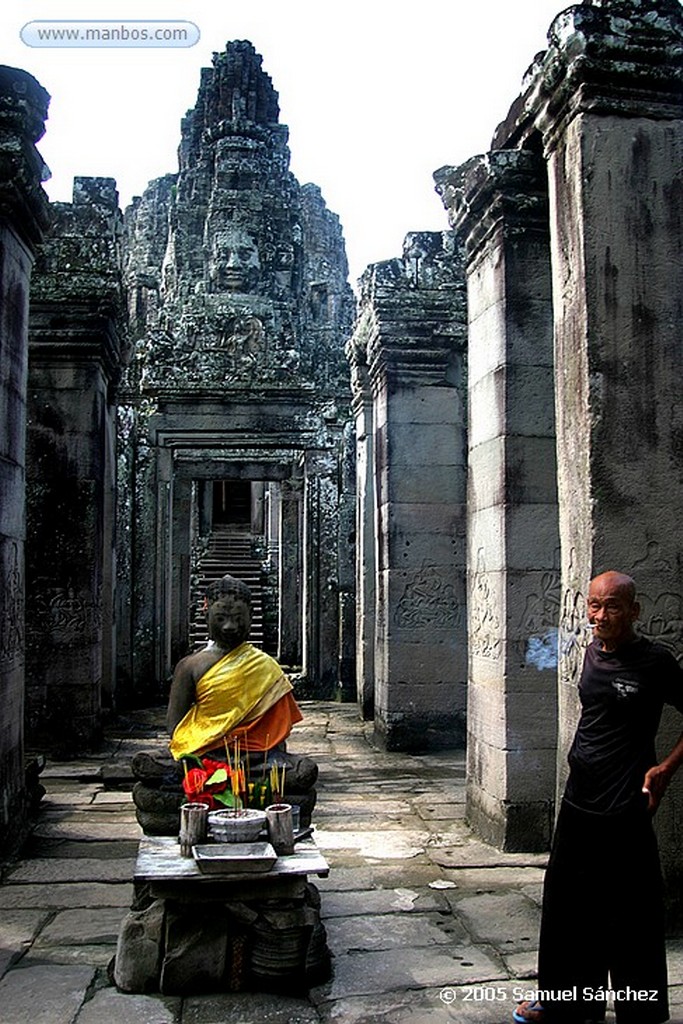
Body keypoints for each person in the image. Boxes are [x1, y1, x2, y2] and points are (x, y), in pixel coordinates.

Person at [514, 570, 683, 1024]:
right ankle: (569, 1004)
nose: (601, 615)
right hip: (579, 801)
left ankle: (639, 1010)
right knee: (568, 905)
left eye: (611, 606)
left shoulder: (655, 662)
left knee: (629, 908)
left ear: (633, 610)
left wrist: (664, 769)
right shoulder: (589, 650)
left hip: (626, 802)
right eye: (594, 605)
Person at [167, 574, 302, 760]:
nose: (229, 626)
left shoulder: (265, 666)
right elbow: (175, 726)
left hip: (256, 754)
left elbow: (277, 731)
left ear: (251, 617)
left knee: (301, 770)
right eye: (221, 618)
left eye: (238, 618)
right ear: (206, 616)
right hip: (205, 751)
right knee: (151, 764)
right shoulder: (189, 666)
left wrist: (268, 751)